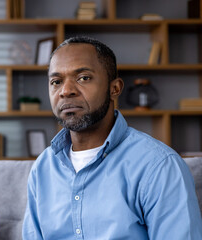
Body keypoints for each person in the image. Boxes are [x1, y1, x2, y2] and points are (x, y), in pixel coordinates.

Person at [22, 36, 202, 239]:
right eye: (56, 81)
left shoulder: (159, 166)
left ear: (114, 88)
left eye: (83, 78)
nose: (66, 91)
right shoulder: (43, 168)